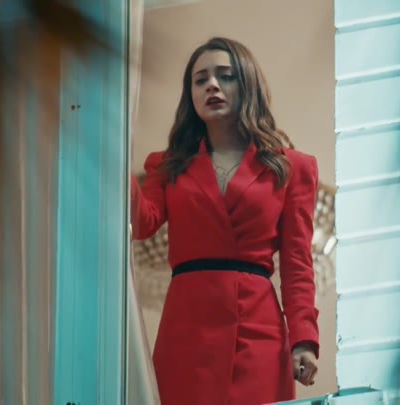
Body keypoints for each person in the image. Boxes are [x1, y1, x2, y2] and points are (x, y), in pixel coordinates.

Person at [131, 37, 320, 405]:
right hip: (186, 329)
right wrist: (114, 153)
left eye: (225, 76)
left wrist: (304, 340)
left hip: (258, 331)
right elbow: (142, 222)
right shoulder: (168, 164)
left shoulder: (292, 167)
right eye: (200, 80)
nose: (212, 86)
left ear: (247, 84)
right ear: (190, 95)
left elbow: (298, 264)